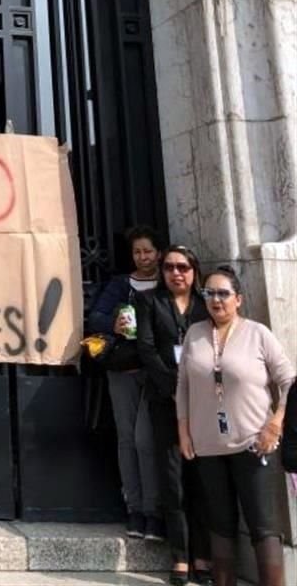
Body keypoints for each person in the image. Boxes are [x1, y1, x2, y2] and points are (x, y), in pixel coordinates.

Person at [177, 266, 294, 586]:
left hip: (255, 443)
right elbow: (183, 386)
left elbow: (289, 381)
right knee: (220, 524)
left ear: (238, 299)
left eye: (223, 293)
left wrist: (276, 422)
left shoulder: (258, 333)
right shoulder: (194, 334)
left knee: (263, 525)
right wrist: (184, 430)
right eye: (209, 293)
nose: (215, 300)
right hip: (207, 445)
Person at [136, 245, 212, 586]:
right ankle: (180, 555)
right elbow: (147, 349)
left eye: (182, 267)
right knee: (173, 478)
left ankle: (203, 554)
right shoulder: (151, 303)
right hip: (166, 400)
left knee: (204, 480)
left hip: (204, 402)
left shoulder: (206, 305)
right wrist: (172, 386)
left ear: (194, 271)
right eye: (169, 267)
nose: (175, 273)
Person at [88, 226, 162, 539]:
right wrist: (113, 323)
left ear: (159, 252)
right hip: (124, 370)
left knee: (146, 441)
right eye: (137, 252)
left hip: (158, 374)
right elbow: (96, 317)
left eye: (147, 251)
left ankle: (154, 510)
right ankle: (135, 509)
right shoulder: (120, 285)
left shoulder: (169, 282)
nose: (143, 257)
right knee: (127, 439)